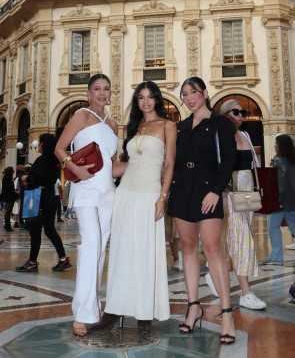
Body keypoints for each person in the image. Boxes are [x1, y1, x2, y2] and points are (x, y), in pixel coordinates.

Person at [98, 81, 177, 331]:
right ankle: (113, 309)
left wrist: (163, 197)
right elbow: (127, 163)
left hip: (150, 194)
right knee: (121, 252)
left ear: (157, 100)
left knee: (146, 252)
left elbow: (170, 164)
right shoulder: (135, 126)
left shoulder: (168, 125)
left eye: (150, 97)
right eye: (141, 97)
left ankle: (145, 312)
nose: (145, 101)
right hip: (126, 193)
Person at [167, 77, 236, 345]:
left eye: (193, 92)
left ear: (205, 93)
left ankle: (227, 313)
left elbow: (228, 160)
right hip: (182, 188)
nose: (189, 98)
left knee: (212, 248)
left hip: (209, 188)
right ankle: (193, 305)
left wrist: (216, 190)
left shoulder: (220, 123)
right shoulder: (179, 127)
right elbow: (171, 161)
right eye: (184, 94)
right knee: (187, 247)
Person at [55, 73, 125, 338]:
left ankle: (92, 308)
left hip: (108, 193)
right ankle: (83, 313)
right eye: (97, 89)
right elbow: (60, 149)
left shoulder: (113, 123)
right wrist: (74, 169)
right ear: (88, 92)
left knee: (99, 251)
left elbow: (113, 166)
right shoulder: (81, 115)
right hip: (85, 190)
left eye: (106, 89)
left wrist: (143, 165)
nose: (102, 93)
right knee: (92, 243)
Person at [217, 99, 266, 310]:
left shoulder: (245, 135)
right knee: (241, 239)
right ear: (226, 114)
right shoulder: (220, 136)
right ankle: (246, 292)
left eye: (242, 112)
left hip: (247, 192)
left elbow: (253, 166)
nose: (240, 116)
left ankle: (214, 271)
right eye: (235, 112)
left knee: (243, 237)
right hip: (231, 193)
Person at [16, 134, 71, 273]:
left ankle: (32, 262)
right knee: (50, 230)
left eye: (39, 143)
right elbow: (43, 174)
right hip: (49, 197)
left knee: (35, 232)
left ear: (43, 144)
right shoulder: (53, 160)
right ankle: (63, 259)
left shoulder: (42, 160)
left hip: (39, 199)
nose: (38, 146)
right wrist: (28, 168)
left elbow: (37, 178)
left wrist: (25, 177)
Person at [263, 134, 295, 265]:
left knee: (273, 226)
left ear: (280, 145)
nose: (274, 145)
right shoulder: (293, 159)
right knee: (293, 225)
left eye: (276, 143)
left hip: (281, 198)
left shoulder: (278, 160)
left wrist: (276, 198)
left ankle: (276, 257)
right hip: (293, 198)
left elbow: (279, 181)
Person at [2, 167, 17, 232]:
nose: (13, 173)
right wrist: (15, 192)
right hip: (9, 197)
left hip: (7, 196)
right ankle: (7, 227)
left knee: (8, 211)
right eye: (12, 171)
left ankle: (7, 226)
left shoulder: (5, 178)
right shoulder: (8, 179)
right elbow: (10, 189)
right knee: (8, 211)